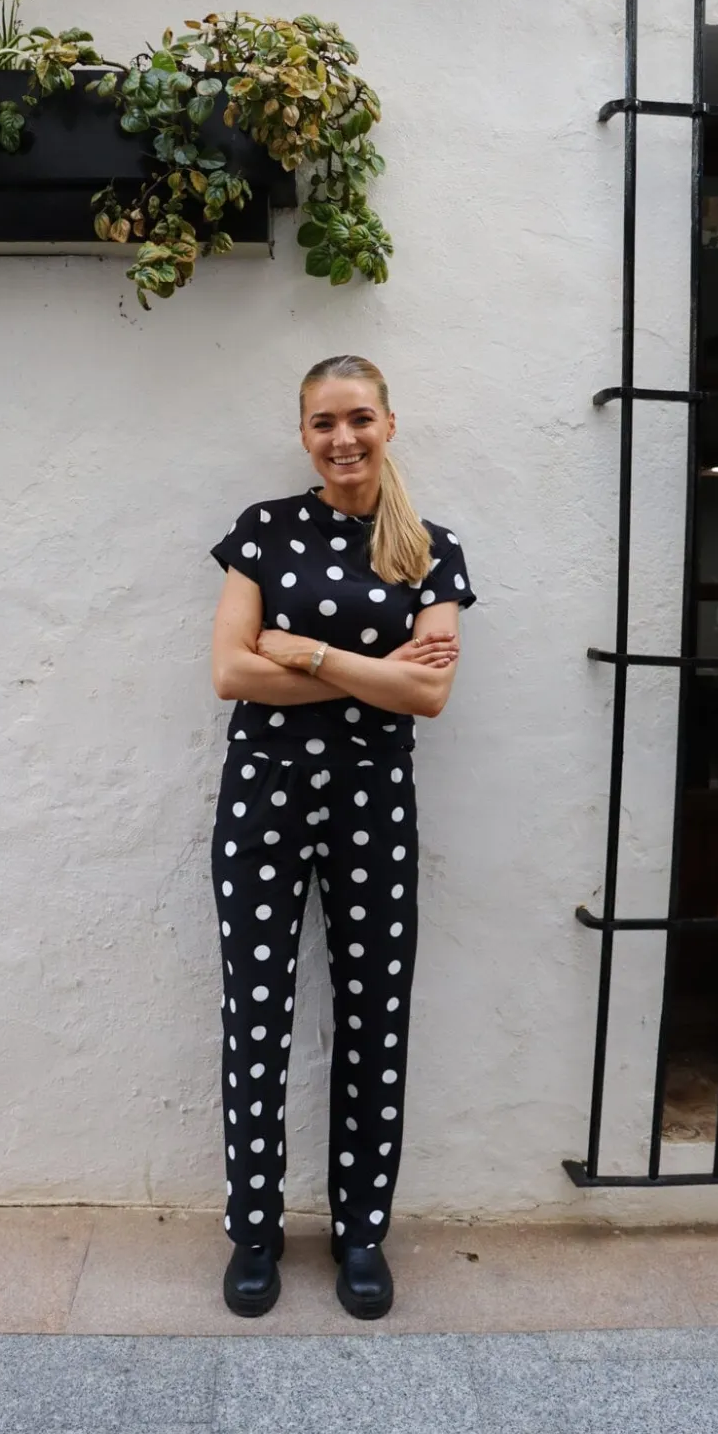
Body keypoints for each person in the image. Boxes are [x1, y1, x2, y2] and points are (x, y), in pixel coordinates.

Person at [209, 353, 475, 1319]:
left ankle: (362, 1232)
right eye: (323, 422)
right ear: (304, 435)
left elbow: (429, 693)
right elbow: (231, 673)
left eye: (358, 417)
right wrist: (376, 670)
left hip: (374, 801)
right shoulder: (263, 529)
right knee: (256, 1015)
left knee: (374, 1017)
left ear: (388, 424)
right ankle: (254, 1229)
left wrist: (309, 652)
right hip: (263, 797)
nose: (342, 437)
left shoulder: (429, 549)